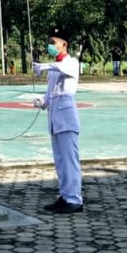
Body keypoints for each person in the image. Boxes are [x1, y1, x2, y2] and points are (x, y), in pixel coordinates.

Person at [33, 31, 83, 214]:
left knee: (70, 160)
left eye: (54, 42)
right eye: (49, 42)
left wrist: (43, 66)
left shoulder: (71, 62)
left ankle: (75, 199)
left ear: (64, 44)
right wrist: (42, 101)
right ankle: (65, 195)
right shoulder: (53, 68)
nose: (50, 45)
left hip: (67, 117)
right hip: (54, 117)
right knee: (60, 161)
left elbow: (63, 69)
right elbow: (50, 91)